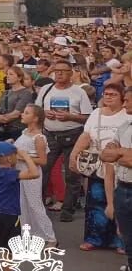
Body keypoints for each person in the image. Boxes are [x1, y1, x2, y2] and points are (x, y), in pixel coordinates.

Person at [71, 80, 128, 252]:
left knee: (121, 204)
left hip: (121, 164)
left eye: (113, 94)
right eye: (106, 94)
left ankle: (121, 241)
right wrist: (74, 155)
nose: (108, 97)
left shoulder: (128, 114)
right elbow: (86, 135)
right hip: (97, 163)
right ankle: (94, 239)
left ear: (122, 97)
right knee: (96, 202)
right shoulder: (96, 113)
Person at [37, 59, 93, 221]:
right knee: (42, 171)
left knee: (72, 174)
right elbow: (37, 109)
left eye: (63, 71)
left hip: (73, 135)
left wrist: (70, 116)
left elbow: (87, 117)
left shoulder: (78, 92)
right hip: (50, 135)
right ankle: (37, 208)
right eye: (57, 70)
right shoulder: (46, 89)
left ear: (71, 74)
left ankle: (68, 210)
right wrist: (44, 113)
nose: (59, 73)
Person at [100, 89, 132, 271]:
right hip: (124, 189)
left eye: (129, 99)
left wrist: (120, 154)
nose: (125, 101)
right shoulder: (124, 127)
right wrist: (123, 153)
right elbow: (105, 154)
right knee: (129, 244)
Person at [14, 105, 57, 245]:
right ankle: (28, 233)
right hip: (20, 171)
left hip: (32, 174)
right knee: (22, 204)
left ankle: (50, 237)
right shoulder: (25, 132)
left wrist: (23, 158)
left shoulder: (39, 138)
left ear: (35, 118)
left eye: (26, 113)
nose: (22, 114)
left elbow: (43, 160)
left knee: (34, 204)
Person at [0, 141, 39, 248]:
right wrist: (26, 157)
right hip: (10, 214)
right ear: (9, 159)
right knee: (11, 247)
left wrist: (8, 144)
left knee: (4, 243)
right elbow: (35, 173)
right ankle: (8, 265)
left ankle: (5, 263)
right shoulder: (10, 174)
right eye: (14, 155)